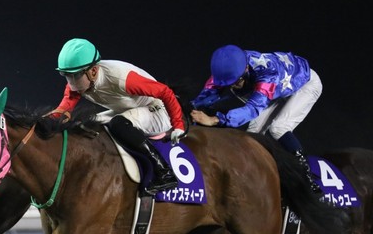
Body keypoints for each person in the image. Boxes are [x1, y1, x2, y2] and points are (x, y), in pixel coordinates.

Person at [54, 38, 186, 195]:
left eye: (75, 76)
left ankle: (164, 172)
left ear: (93, 71)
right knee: (85, 124)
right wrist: (44, 122)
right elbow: (62, 111)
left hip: (157, 109)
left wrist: (178, 125)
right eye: (66, 75)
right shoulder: (78, 82)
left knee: (118, 124)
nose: (71, 83)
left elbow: (165, 92)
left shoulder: (123, 79)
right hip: (127, 109)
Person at [190, 44, 322, 193]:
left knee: (278, 127)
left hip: (304, 84)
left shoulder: (267, 73)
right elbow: (205, 96)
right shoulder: (227, 67)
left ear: (246, 69)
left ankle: (307, 180)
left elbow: (253, 109)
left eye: (236, 81)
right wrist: (189, 107)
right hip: (278, 90)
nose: (232, 87)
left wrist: (215, 120)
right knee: (253, 134)